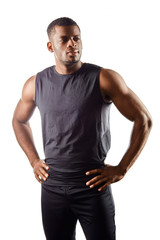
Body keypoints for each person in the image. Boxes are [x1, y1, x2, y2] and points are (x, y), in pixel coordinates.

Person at [12, 17, 152, 240]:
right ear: (51, 46)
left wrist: (122, 168)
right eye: (64, 39)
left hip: (92, 187)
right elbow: (18, 121)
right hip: (52, 187)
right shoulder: (35, 84)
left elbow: (143, 119)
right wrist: (34, 160)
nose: (72, 44)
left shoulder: (104, 78)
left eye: (76, 38)